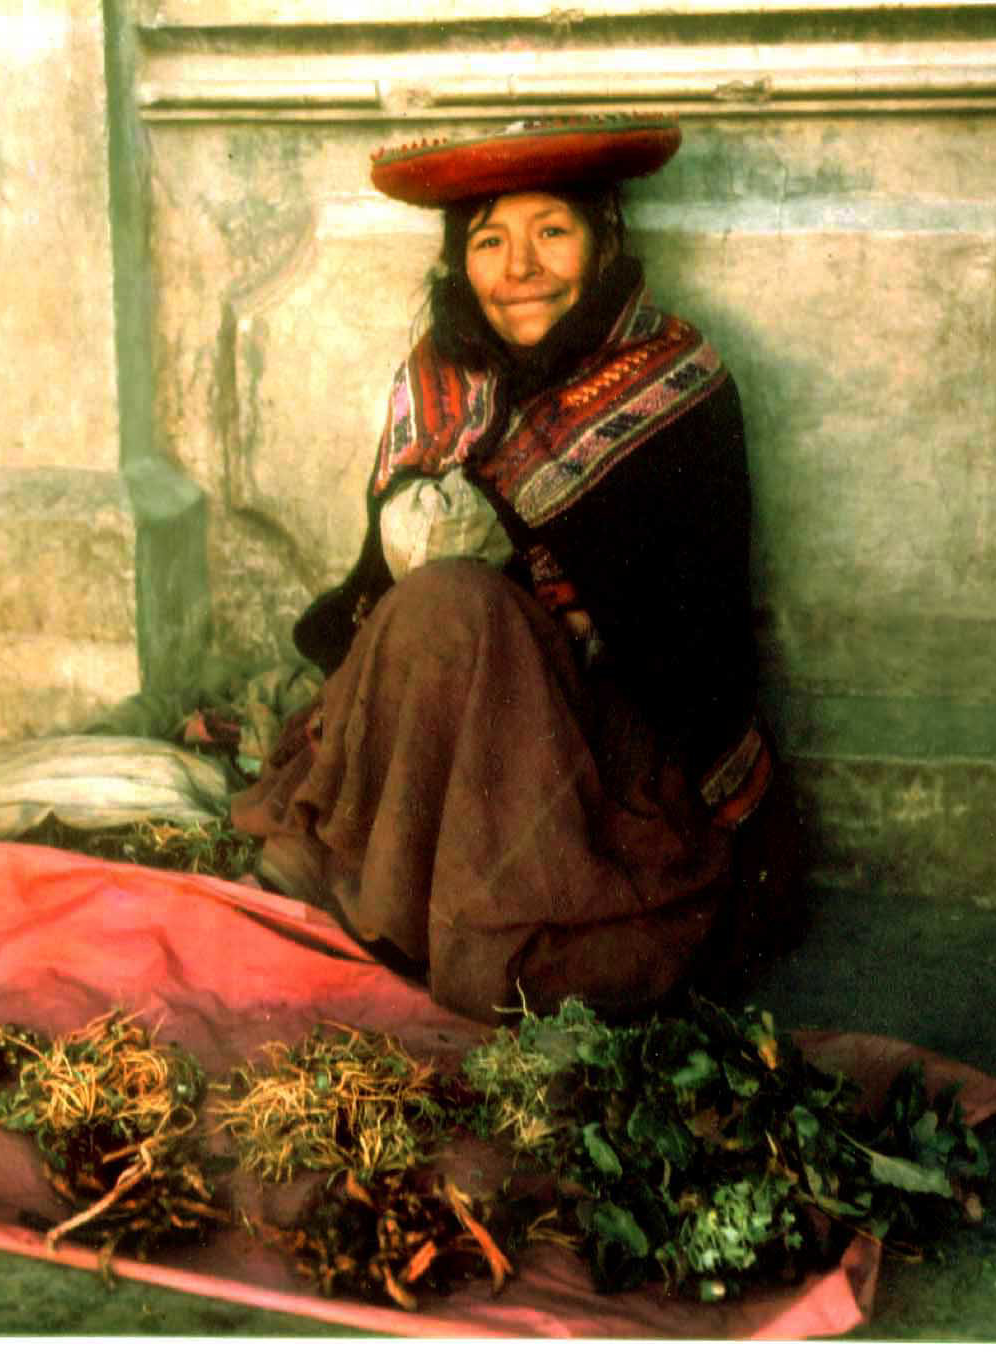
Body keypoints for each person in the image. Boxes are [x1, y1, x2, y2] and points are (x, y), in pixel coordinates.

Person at [231, 115, 801, 1026]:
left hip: (606, 744)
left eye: (551, 231)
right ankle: (389, 883)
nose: (519, 267)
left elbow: (693, 634)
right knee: (440, 605)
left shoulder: (676, 378)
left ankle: (472, 912)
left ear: (605, 239)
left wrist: (535, 580)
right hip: (462, 728)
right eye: (489, 240)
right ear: (460, 263)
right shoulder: (438, 381)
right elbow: (377, 603)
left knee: (462, 608)